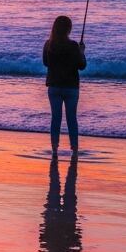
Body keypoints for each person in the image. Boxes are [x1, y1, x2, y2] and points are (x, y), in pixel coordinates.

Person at [44, 15, 87, 154]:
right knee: (71, 118)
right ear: (68, 29)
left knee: (56, 118)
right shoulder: (73, 46)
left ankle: (54, 149)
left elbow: (45, 63)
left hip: (54, 86)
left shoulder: (48, 44)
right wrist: (82, 52)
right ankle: (74, 149)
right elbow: (82, 66)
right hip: (71, 88)